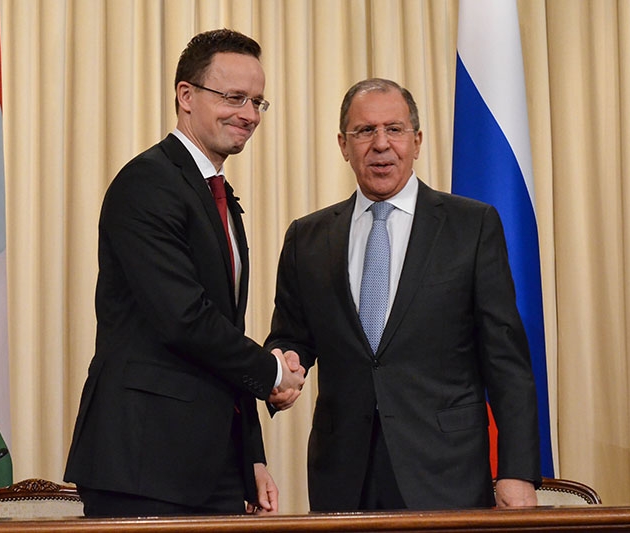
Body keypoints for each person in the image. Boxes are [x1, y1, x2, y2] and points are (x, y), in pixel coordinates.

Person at [266, 78, 541, 511]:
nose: (380, 144)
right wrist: (283, 365)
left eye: (394, 129)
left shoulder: (471, 226)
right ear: (343, 144)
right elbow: (291, 336)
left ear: (417, 140)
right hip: (343, 476)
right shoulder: (307, 237)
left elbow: (506, 361)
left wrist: (517, 472)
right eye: (364, 131)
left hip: (445, 473)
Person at [64, 28, 305, 518]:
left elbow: (223, 334)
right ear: (186, 96)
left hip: (207, 464)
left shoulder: (215, 193)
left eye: (258, 101)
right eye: (234, 97)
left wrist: (251, 455)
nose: (249, 114)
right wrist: (274, 371)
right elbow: (184, 318)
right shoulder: (147, 184)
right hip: (142, 461)